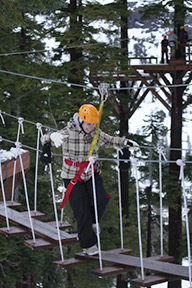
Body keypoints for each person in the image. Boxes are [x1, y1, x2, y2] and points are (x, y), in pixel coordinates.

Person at [40, 104, 139, 256]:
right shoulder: (68, 131)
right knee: (82, 211)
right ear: (80, 120)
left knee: (102, 200)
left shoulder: (95, 133)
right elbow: (45, 138)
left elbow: (111, 140)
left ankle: (92, 223)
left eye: (93, 124)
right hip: (72, 176)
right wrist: (49, 139)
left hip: (91, 173)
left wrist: (125, 143)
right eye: (88, 124)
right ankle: (88, 245)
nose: (90, 127)